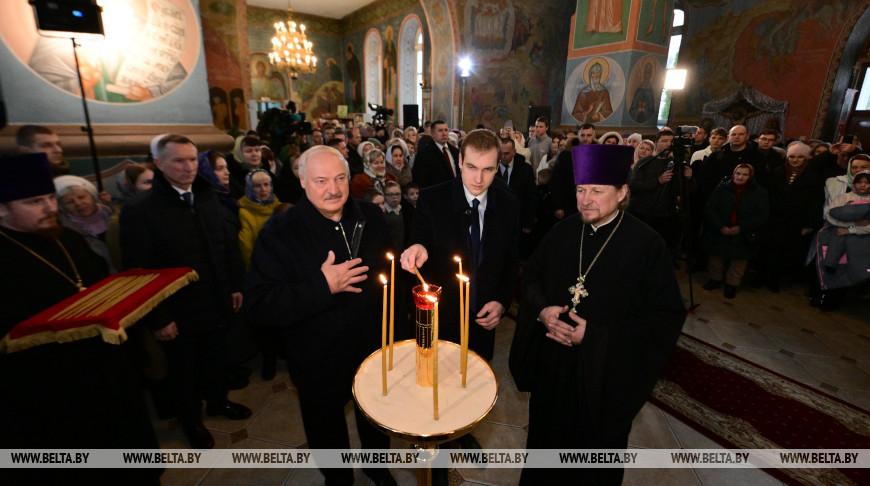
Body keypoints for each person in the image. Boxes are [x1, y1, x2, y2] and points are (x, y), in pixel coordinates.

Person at [509, 144, 685, 485]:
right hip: (554, 371)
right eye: (580, 190)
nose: (585, 199)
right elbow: (531, 277)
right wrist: (543, 311)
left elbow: (664, 318)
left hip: (603, 378)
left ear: (622, 193)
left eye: (597, 191)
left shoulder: (647, 245)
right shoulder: (562, 231)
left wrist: (594, 335)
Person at [0, 153, 159, 483]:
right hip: (52, 388)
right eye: (34, 201)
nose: (49, 207)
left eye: (48, 198)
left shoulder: (69, 238)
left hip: (108, 369)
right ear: (2, 208)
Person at [245, 145, 395, 486]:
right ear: (302, 181)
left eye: (340, 178)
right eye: (321, 180)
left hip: (372, 347)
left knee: (375, 416)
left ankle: (377, 467)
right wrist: (322, 286)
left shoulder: (371, 217)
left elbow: (389, 279)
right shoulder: (280, 232)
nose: (334, 189)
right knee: (325, 426)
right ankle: (337, 477)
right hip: (316, 358)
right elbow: (259, 304)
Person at [120, 135, 250, 449]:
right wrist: (158, 318)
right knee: (184, 370)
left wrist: (234, 285)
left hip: (216, 298)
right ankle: (192, 421)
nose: (188, 167)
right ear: (159, 164)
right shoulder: (141, 210)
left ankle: (218, 401)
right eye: (178, 160)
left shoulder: (207, 196)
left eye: (192, 159)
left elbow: (226, 244)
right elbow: (139, 271)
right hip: (177, 310)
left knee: (217, 357)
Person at [401, 129, 520, 362]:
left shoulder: (509, 205)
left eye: (488, 170)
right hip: (440, 318)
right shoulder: (432, 199)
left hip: (483, 319)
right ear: (460, 161)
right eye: (472, 167)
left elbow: (511, 260)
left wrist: (502, 302)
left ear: (498, 167)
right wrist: (418, 247)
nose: (478, 179)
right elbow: (418, 240)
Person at [702, 164, 769, 298]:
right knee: (716, 256)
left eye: (744, 174)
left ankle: (731, 284)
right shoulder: (722, 188)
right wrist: (721, 226)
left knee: (739, 260)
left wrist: (741, 227)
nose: (740, 177)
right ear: (733, 174)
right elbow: (710, 208)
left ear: (750, 176)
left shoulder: (759, 192)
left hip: (743, 231)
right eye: (738, 173)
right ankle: (715, 279)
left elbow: (762, 215)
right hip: (721, 228)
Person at [54, 175, 115, 272]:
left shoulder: (113, 214)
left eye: (81, 197)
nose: (78, 203)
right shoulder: (66, 232)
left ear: (92, 196)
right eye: (69, 202)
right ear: (62, 207)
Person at [238, 169, 282, 269]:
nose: (263, 189)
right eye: (257, 186)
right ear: (250, 188)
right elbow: (246, 247)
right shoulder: (245, 212)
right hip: (261, 267)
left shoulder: (279, 207)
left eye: (266, 184)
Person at [411, 120, 460, 188]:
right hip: (435, 194)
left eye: (446, 130)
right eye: (440, 130)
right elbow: (419, 179)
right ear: (432, 134)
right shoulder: (424, 154)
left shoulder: (455, 152)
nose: (444, 133)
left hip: (455, 192)